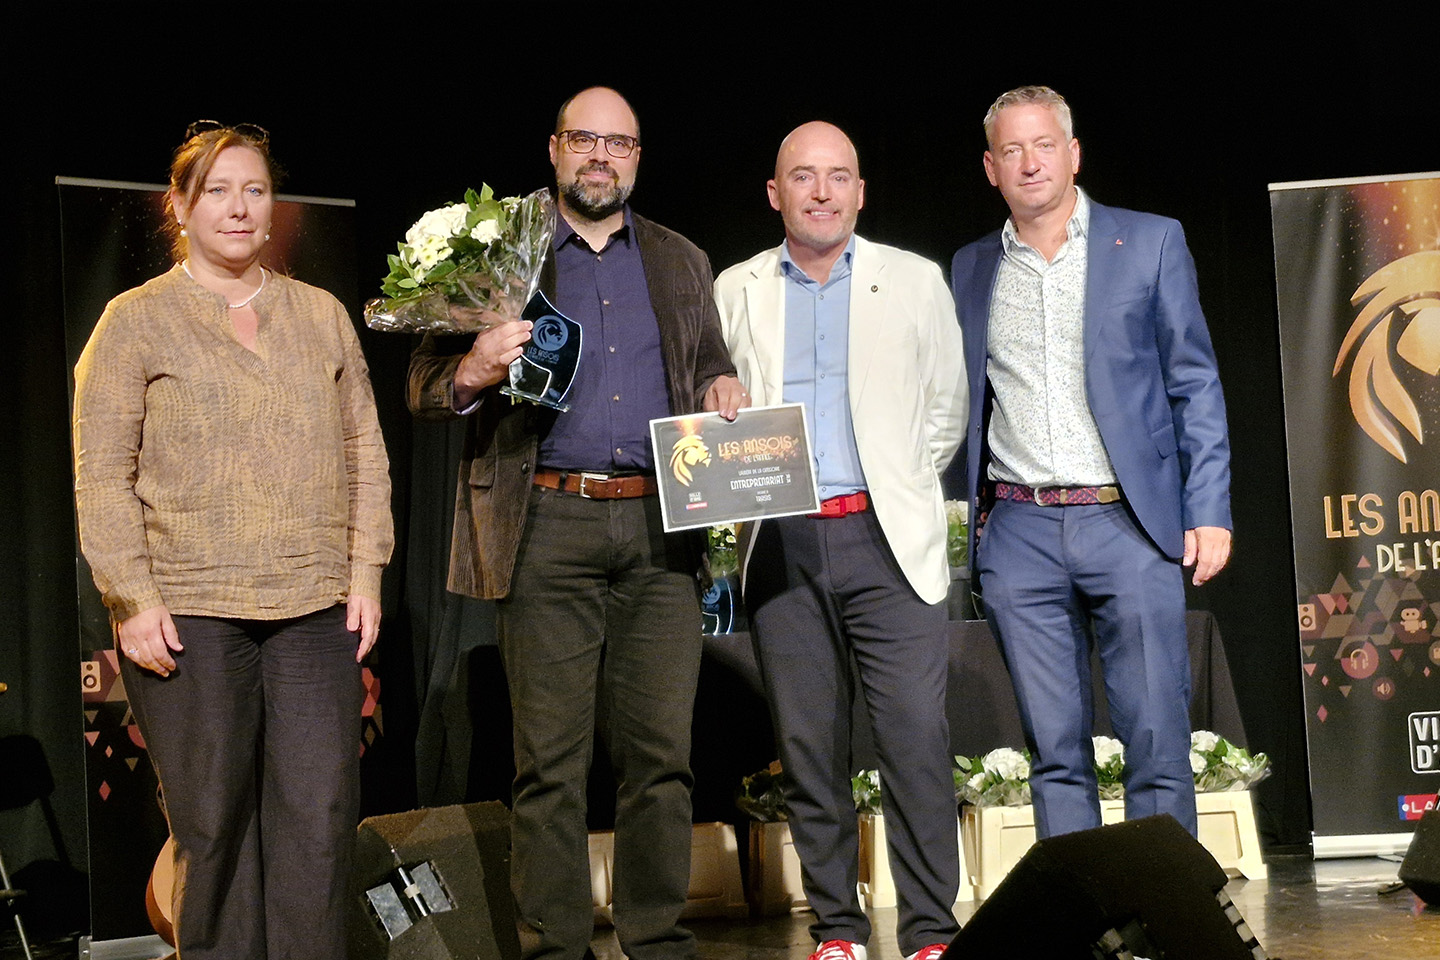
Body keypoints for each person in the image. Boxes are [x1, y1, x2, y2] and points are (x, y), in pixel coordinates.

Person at [407, 87, 746, 960]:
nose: (602, 156)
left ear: (638, 157)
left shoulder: (680, 260)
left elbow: (709, 365)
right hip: (547, 523)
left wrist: (721, 389)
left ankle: (656, 942)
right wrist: (476, 369)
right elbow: (422, 385)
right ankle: (555, 949)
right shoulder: (498, 251)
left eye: (620, 143)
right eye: (586, 139)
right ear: (554, 148)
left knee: (662, 761)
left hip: (658, 533)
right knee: (549, 768)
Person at [72, 122, 393, 959]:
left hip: (314, 608)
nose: (239, 208)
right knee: (212, 822)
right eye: (217, 190)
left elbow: (365, 451)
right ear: (181, 206)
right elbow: (101, 471)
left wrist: (366, 571)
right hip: (189, 610)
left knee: (318, 818)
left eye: (254, 190)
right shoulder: (133, 320)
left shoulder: (319, 316)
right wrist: (131, 598)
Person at [713, 122, 967, 960]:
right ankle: (837, 930)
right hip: (782, 542)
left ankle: (931, 929)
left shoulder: (915, 281)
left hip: (884, 537)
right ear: (775, 193)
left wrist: (887, 489)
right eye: (803, 176)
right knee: (809, 747)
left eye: (839, 176)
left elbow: (945, 415)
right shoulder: (736, 287)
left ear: (861, 191)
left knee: (914, 740)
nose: (822, 191)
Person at [951, 86, 1232, 840]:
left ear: (1073, 154)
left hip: (1128, 524)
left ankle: (1163, 924)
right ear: (990, 167)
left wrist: (1208, 508)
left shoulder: (1149, 242)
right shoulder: (971, 268)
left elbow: (1194, 384)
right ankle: (1086, 930)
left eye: (1044, 144)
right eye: (1011, 150)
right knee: (1054, 754)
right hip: (1020, 531)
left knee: (1157, 746)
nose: (1029, 162)